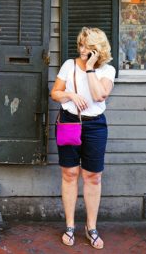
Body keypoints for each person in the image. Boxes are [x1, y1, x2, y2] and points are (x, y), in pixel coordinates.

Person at [50, 27, 116, 250]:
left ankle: (91, 227)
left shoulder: (108, 71)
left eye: (87, 46)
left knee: (93, 176)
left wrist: (89, 69)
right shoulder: (69, 65)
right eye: (80, 45)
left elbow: (99, 95)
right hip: (70, 122)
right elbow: (55, 93)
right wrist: (70, 94)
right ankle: (70, 225)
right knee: (69, 174)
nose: (82, 49)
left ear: (98, 49)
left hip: (95, 126)